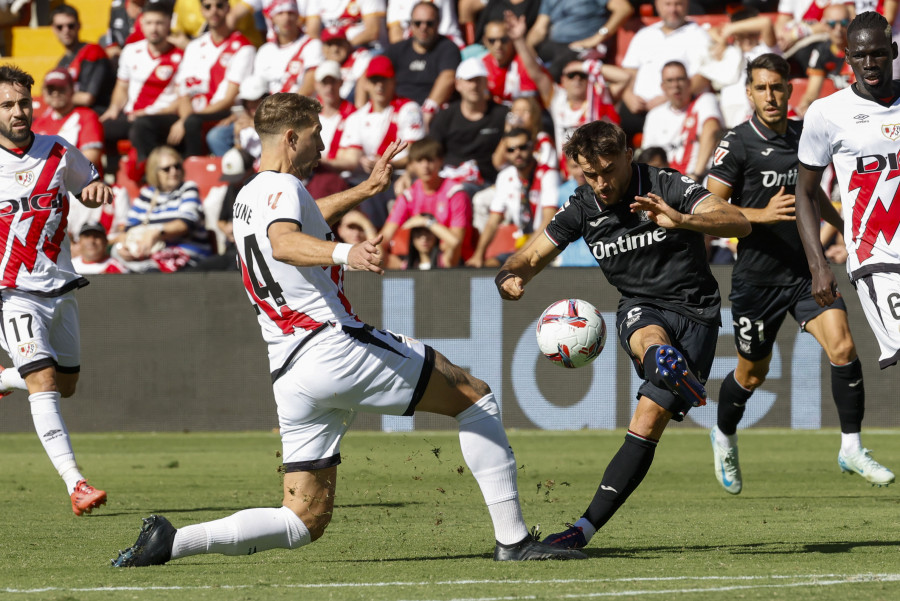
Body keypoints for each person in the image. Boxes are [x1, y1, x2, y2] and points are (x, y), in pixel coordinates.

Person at [111, 92, 586, 567]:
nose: (324, 143)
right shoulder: (285, 192)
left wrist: (364, 190)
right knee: (474, 396)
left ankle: (172, 543)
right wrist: (347, 254)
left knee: (303, 519)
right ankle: (514, 541)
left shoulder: (249, 195)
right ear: (292, 137)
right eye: (317, 134)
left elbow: (300, 219)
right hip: (331, 345)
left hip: (290, 374)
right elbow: (285, 241)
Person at [494, 120, 750, 549]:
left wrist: (682, 219)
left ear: (629, 156)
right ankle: (580, 533)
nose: (600, 183)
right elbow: (531, 256)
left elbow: (738, 223)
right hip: (641, 305)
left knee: (647, 423)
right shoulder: (581, 206)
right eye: (588, 174)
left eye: (607, 171)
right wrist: (508, 277)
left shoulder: (665, 184)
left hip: (698, 313)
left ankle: (583, 529)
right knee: (647, 333)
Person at [706, 52, 894, 494]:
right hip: (756, 279)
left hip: (806, 272)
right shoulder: (736, 144)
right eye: (761, 88)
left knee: (843, 345)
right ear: (748, 93)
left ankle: (851, 447)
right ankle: (724, 433)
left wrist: (845, 225)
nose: (770, 96)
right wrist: (762, 213)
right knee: (752, 373)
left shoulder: (805, 131)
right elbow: (708, 208)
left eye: (777, 86)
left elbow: (809, 196)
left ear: (789, 89)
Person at [0, 64, 113, 516]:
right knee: (44, 383)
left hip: (59, 287)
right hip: (11, 292)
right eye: (7, 105)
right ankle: (77, 484)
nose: (18, 111)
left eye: (23, 102)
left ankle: (7, 378)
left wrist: (94, 191)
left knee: (66, 385)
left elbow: (87, 186)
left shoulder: (58, 150)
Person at [796, 11, 900, 372]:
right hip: (877, 258)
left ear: (894, 51)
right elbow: (805, 194)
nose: (869, 63)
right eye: (860, 55)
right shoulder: (826, 113)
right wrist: (818, 265)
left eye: (878, 53)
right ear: (848, 57)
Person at [100, 0, 184, 169]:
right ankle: (111, 175)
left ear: (169, 23)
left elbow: (184, 98)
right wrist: (114, 109)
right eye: (149, 23)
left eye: (159, 23)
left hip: (163, 116)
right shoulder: (131, 51)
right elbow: (122, 87)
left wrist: (146, 113)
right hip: (132, 115)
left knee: (141, 127)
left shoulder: (182, 54)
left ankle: (151, 175)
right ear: (141, 24)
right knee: (99, 126)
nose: (154, 28)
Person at [168, 0, 256, 157]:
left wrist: (186, 120)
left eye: (219, 5)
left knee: (192, 123)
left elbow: (228, 99)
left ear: (228, 8)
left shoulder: (243, 47)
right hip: (191, 112)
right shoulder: (194, 46)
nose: (214, 11)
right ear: (202, 10)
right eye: (208, 6)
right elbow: (182, 91)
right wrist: (185, 117)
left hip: (223, 111)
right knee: (146, 125)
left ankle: (194, 168)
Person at [110, 146, 213, 272]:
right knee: (114, 254)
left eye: (177, 166)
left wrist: (156, 233)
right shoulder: (147, 194)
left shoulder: (188, 188)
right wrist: (123, 246)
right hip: (148, 255)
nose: (173, 171)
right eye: (166, 169)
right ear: (155, 172)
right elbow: (127, 229)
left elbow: (185, 224)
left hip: (184, 257)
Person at [619, 0, 712, 139]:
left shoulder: (699, 35)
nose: (673, 9)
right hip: (636, 108)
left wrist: (667, 99)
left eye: (678, 4)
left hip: (676, 109)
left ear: (687, 5)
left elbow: (703, 78)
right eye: (667, 4)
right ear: (657, 5)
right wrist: (628, 96)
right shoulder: (644, 34)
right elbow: (628, 72)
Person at [468, 127, 559, 268]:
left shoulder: (547, 173)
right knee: (487, 266)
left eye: (522, 147)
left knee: (513, 267)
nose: (517, 153)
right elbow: (493, 222)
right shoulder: (505, 176)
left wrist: (519, 256)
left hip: (547, 245)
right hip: (523, 243)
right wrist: (478, 254)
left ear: (533, 147)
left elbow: (548, 221)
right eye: (511, 149)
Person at [380, 137, 473, 266]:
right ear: (411, 165)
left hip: (450, 263)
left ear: (440, 161)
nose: (425, 166)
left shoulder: (455, 193)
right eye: (419, 161)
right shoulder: (409, 195)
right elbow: (384, 237)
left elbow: (455, 243)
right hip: (416, 262)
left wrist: (427, 222)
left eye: (430, 160)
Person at [640, 60, 724, 182]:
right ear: (662, 87)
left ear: (689, 82)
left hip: (699, 178)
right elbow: (649, 157)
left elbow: (711, 130)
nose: (676, 85)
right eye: (670, 80)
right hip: (665, 182)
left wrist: (696, 175)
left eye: (680, 79)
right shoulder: (654, 115)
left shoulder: (704, 100)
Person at [383, 1, 460, 122]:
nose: (423, 27)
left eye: (429, 23)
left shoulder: (448, 48)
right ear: (411, 24)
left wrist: (428, 110)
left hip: (433, 114)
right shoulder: (396, 49)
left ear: (438, 23)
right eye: (418, 23)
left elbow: (448, 78)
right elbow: (371, 74)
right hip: (397, 112)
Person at [50, 4, 116, 114]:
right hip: (75, 115)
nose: (65, 30)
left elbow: (87, 98)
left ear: (79, 25)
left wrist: (55, 98)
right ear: (53, 29)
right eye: (60, 27)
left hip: (97, 113)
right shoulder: (61, 62)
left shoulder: (93, 52)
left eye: (70, 25)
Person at [253, 0, 324, 98]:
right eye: (280, 13)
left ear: (297, 17)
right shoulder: (264, 51)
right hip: (269, 110)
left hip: (300, 109)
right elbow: (257, 88)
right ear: (272, 18)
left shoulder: (312, 45)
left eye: (290, 13)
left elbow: (309, 87)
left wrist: (284, 111)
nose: (286, 18)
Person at [795, 3, 855, 116]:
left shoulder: (861, 51)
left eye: (843, 23)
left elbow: (863, 94)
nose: (838, 29)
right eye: (832, 24)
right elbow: (812, 93)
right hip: (835, 111)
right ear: (824, 26)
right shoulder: (821, 52)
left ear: (851, 23)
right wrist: (804, 107)